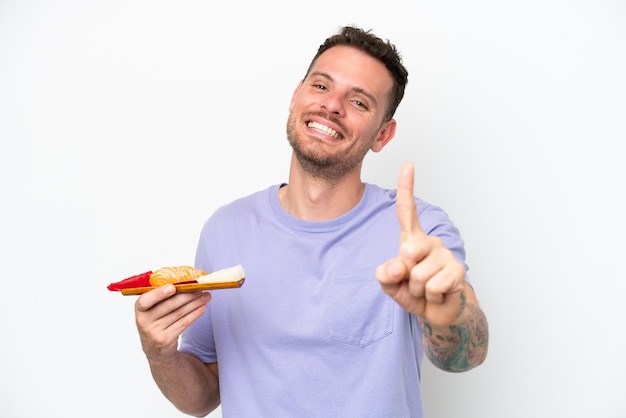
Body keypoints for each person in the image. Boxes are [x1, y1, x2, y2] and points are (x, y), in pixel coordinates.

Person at [134, 25, 489, 417]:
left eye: (358, 102)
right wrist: (160, 355)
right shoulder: (225, 229)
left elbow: (464, 355)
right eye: (321, 87)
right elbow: (200, 398)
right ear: (296, 95)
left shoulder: (420, 230)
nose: (332, 106)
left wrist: (447, 313)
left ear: (382, 135)